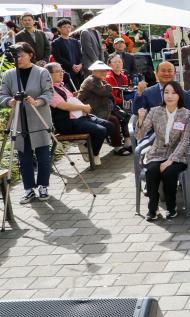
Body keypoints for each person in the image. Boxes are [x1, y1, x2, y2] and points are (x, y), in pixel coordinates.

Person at [0, 44, 54, 203]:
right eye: (16, 56)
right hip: (19, 121)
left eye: (21, 55)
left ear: (31, 54)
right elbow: (2, 95)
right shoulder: (9, 75)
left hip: (39, 118)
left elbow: (49, 92)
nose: (18, 59)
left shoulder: (42, 72)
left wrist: (38, 101)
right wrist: (9, 102)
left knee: (44, 156)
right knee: (24, 158)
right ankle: (28, 189)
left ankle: (43, 186)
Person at [134, 81, 190, 220]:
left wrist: (170, 160)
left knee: (169, 172)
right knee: (152, 171)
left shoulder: (187, 114)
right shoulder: (155, 111)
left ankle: (171, 208)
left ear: (179, 95)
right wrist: (141, 119)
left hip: (177, 154)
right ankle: (152, 208)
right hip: (157, 152)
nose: (170, 96)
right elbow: (139, 135)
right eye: (166, 92)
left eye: (173, 93)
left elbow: (185, 141)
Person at [44, 62, 110, 166]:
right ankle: (93, 154)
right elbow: (63, 106)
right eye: (58, 71)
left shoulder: (61, 86)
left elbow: (69, 99)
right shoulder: (49, 90)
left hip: (79, 117)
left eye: (62, 71)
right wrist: (83, 107)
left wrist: (77, 94)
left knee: (109, 125)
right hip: (67, 122)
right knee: (100, 130)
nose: (62, 73)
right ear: (48, 75)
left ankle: (86, 147)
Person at [78, 61, 126, 154]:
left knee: (123, 116)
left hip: (101, 108)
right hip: (91, 111)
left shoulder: (98, 80)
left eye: (105, 70)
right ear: (93, 71)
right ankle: (117, 146)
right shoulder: (91, 81)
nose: (104, 72)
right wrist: (108, 86)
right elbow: (105, 92)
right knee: (114, 120)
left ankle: (126, 142)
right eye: (100, 71)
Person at [51, 18, 84, 89]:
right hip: (66, 71)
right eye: (64, 27)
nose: (67, 29)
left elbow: (80, 55)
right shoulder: (56, 42)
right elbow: (58, 57)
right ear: (59, 29)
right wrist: (71, 65)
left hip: (78, 71)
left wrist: (80, 64)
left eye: (69, 27)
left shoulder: (75, 41)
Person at [79, 12, 104, 76]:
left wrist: (101, 61)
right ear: (86, 21)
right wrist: (97, 62)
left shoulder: (97, 32)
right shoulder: (85, 32)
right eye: (92, 19)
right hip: (90, 64)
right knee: (90, 84)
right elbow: (88, 49)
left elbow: (101, 48)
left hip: (99, 63)